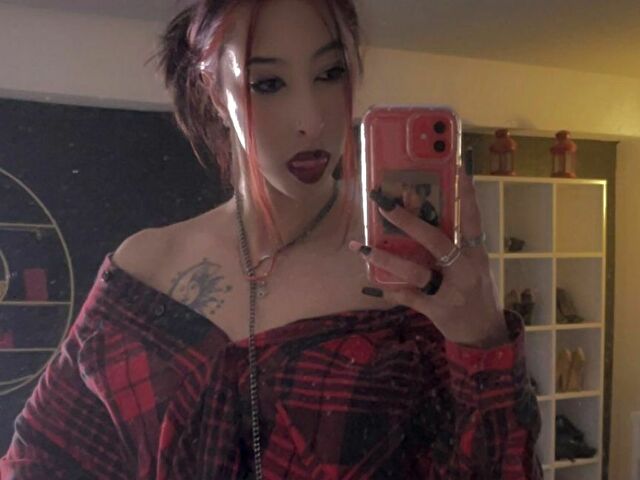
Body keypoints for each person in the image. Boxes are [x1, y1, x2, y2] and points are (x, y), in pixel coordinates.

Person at [0, 0, 543, 478]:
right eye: (267, 84)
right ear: (214, 92)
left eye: (330, 73)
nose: (311, 120)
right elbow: (37, 459)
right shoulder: (144, 270)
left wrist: (481, 338)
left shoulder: (413, 274)